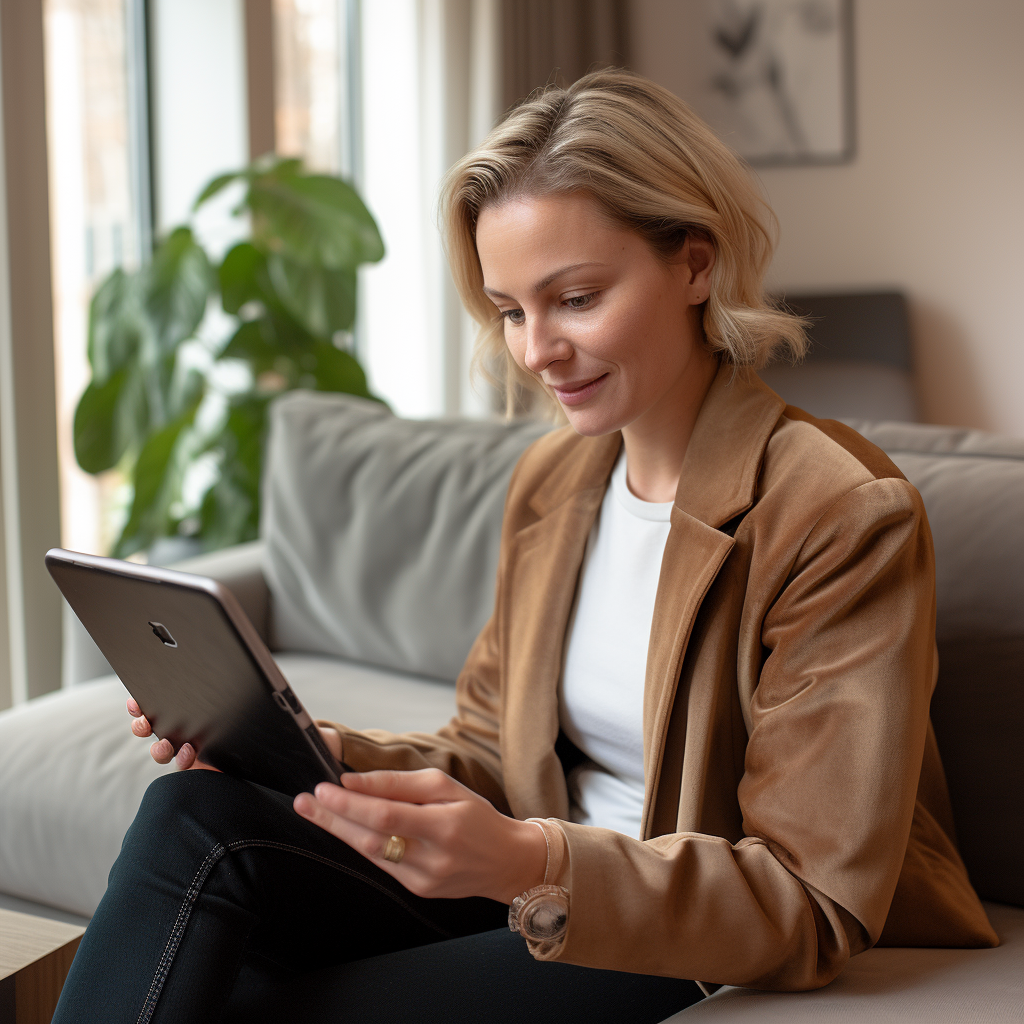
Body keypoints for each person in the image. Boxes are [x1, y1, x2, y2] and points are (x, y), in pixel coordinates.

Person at [53, 69, 996, 1024]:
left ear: (696, 265)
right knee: (194, 823)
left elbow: (808, 897)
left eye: (576, 298)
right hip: (522, 889)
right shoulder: (558, 480)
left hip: (671, 934)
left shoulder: (837, 513)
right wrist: (317, 754)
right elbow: (489, 751)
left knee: (234, 988)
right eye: (510, 310)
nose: (537, 349)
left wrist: (530, 859)